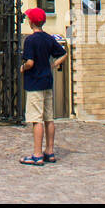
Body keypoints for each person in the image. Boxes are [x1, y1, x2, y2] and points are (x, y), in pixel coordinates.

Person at [19, 8, 67, 166]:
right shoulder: (48, 38)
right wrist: (54, 64)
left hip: (34, 83)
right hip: (47, 81)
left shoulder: (30, 40)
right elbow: (63, 53)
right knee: (49, 118)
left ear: (31, 22)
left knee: (36, 119)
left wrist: (23, 67)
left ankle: (37, 154)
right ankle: (50, 151)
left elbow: (30, 62)